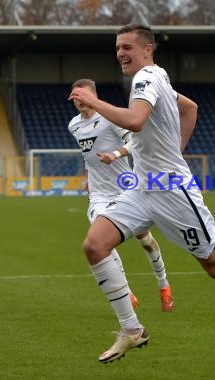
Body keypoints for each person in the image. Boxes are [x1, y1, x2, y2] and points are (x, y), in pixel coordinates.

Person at [68, 24, 215, 366]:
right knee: (94, 245)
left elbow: (136, 121)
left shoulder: (146, 78)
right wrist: (177, 149)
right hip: (142, 187)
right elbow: (191, 108)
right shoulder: (159, 79)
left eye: (127, 47)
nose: (121, 54)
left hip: (172, 191)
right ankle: (131, 329)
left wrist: (94, 101)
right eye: (117, 48)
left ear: (147, 49)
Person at [68, 78, 174, 313]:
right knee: (99, 241)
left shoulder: (110, 118)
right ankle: (126, 293)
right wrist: (89, 177)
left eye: (84, 96)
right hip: (98, 194)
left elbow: (135, 143)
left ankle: (163, 284)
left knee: (145, 240)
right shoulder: (74, 126)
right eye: (76, 97)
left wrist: (115, 154)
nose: (81, 102)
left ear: (94, 95)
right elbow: (89, 156)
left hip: (126, 187)